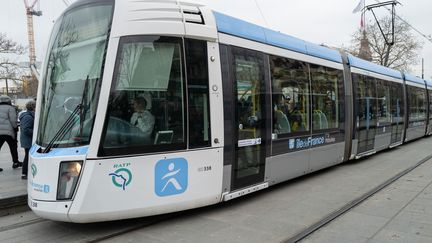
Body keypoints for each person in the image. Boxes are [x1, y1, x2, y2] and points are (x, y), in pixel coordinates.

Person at [0, 95, 22, 171]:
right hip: (8, 132)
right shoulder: (10, 108)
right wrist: (15, 128)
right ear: (8, 101)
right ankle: (15, 162)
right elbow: (13, 120)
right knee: (13, 147)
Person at [19, 100, 36, 179]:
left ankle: (25, 172)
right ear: (33, 107)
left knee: (28, 156)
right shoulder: (28, 117)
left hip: (27, 140)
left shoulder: (29, 115)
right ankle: (24, 173)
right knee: (27, 156)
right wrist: (35, 132)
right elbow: (26, 129)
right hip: (28, 140)